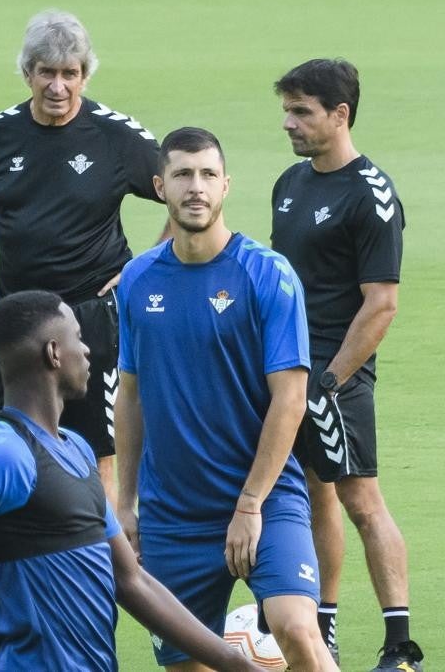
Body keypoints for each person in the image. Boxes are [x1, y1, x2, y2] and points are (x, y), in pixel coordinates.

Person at [0, 291, 266, 671]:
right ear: (53, 352)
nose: (87, 351)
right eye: (78, 339)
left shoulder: (76, 450)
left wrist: (234, 662)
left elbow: (131, 580)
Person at [0, 9, 168, 656]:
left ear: (84, 72)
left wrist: (145, 269)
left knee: (98, 456)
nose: (57, 85)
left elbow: (184, 192)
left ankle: (109, 588)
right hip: (18, 322)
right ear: (26, 73)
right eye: (44, 72)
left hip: (91, 322)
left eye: (68, 73)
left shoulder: (116, 137)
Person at [113, 127, 338, 671]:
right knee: (188, 662)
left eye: (208, 175)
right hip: (173, 515)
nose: (196, 187)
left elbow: (290, 399)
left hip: (264, 498)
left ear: (226, 186)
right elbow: (132, 395)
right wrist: (126, 501)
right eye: (183, 175)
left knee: (296, 628)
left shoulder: (267, 274)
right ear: (159, 185)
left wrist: (249, 505)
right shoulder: (138, 280)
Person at [270, 58, 423, 672]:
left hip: (338, 376)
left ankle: (400, 645)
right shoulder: (289, 184)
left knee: (362, 499)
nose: (289, 123)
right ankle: (323, 629)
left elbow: (381, 304)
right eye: (286, 110)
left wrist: (331, 379)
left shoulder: (373, 196)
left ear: (340, 114)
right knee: (314, 497)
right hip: (288, 373)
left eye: (301, 112)